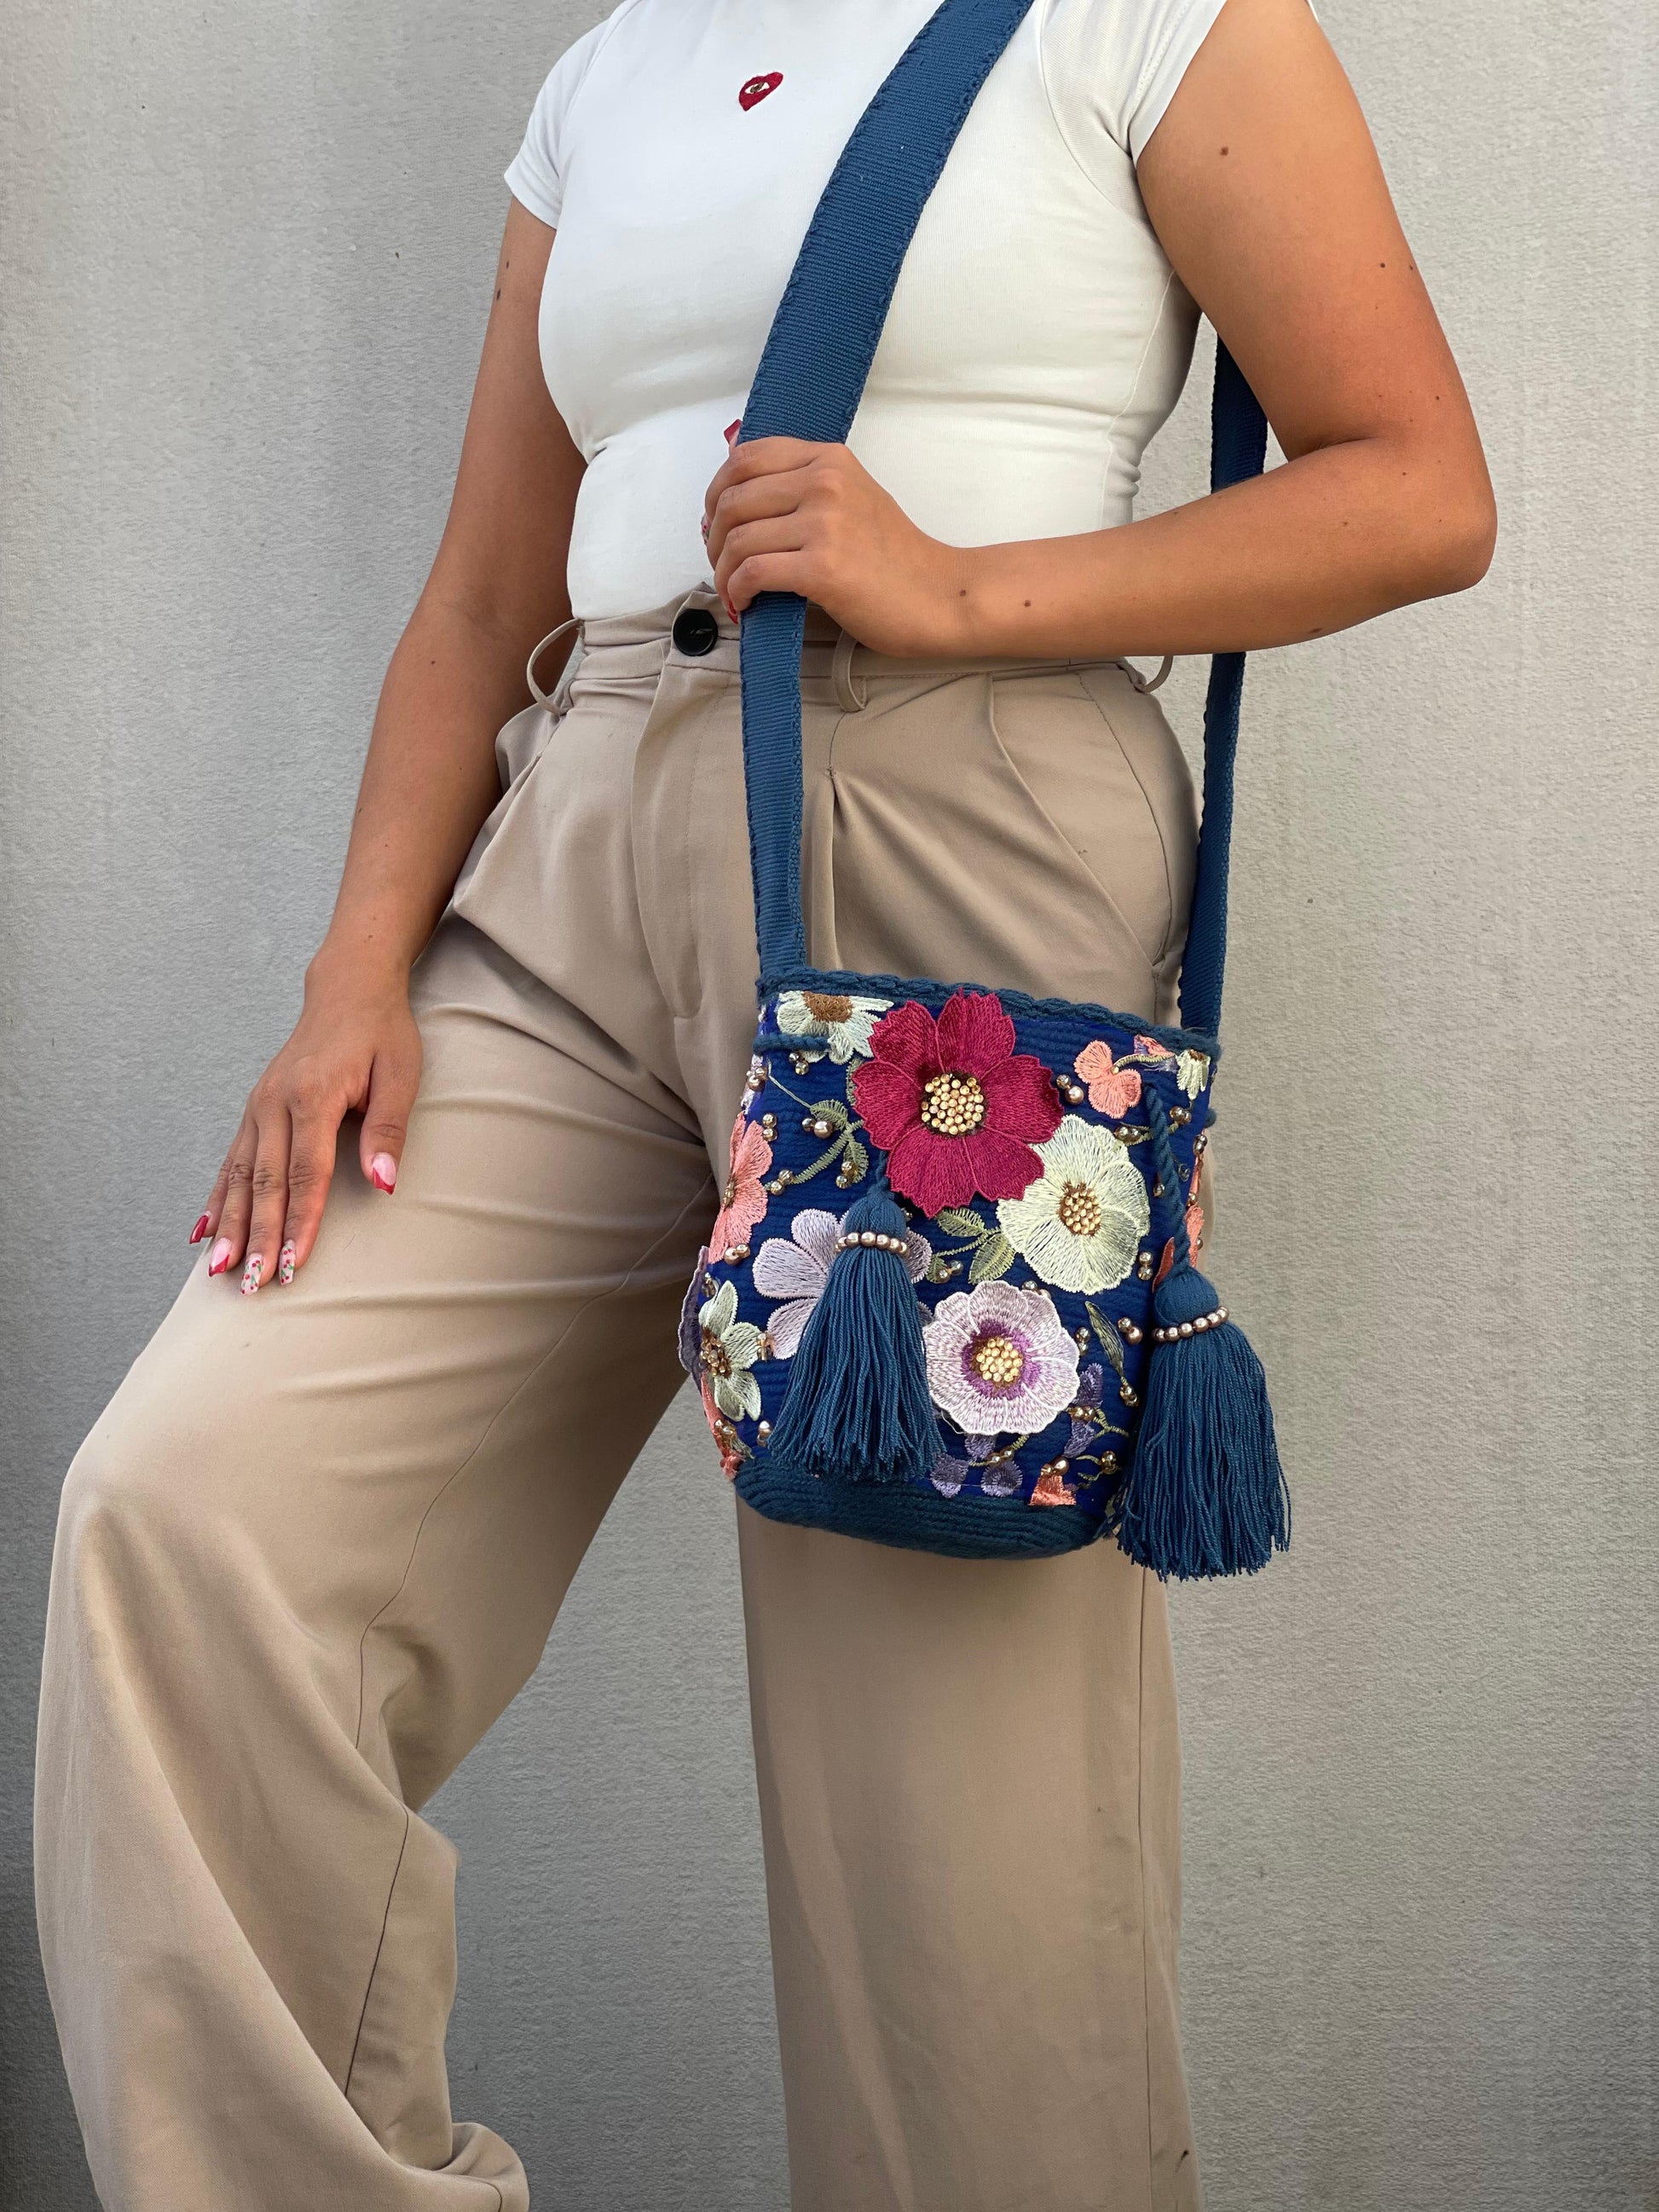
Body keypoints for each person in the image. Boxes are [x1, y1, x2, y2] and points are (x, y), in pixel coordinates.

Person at [34, 0, 1494, 2206]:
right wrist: (353, 974)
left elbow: (1416, 484)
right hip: (576, 845)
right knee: (189, 1523)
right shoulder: (609, 72)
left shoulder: (1149, 20)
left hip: (950, 867)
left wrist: (954, 584)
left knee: (954, 1830)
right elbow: (483, 591)